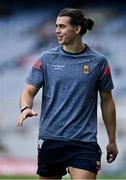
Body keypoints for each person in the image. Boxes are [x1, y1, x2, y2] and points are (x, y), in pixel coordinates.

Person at [17, 8, 118, 180]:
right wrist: (25, 107)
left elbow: (107, 101)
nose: (56, 30)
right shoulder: (46, 59)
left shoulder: (99, 62)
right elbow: (28, 90)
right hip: (51, 139)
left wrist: (112, 140)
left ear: (77, 29)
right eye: (56, 26)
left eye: (62, 26)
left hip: (84, 142)